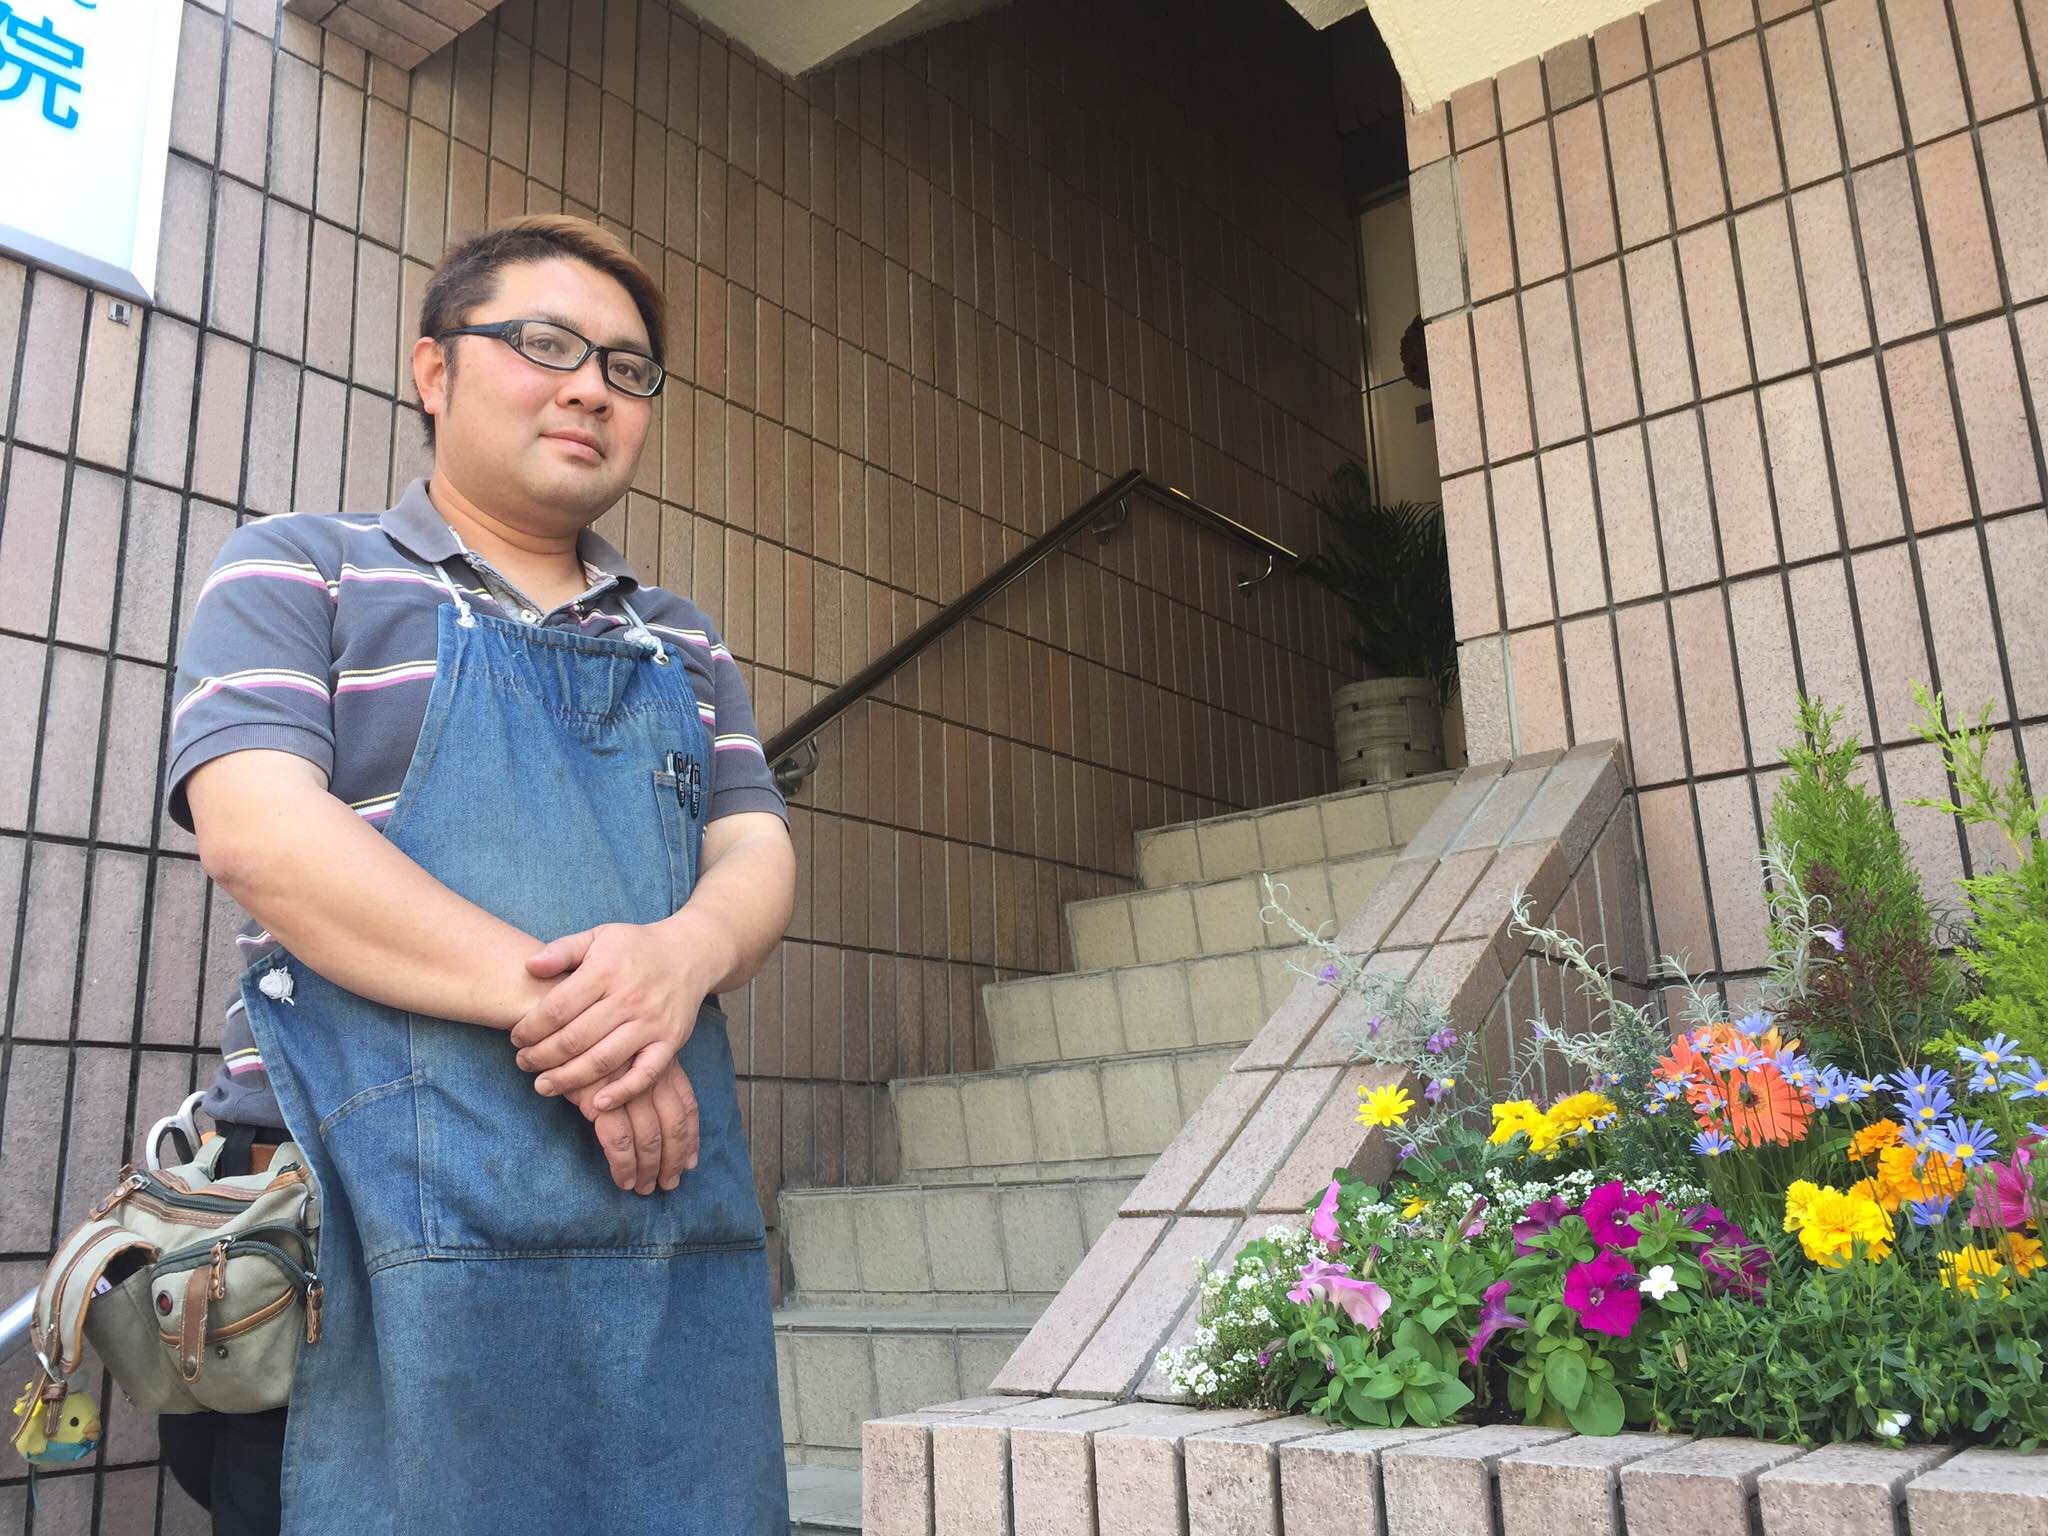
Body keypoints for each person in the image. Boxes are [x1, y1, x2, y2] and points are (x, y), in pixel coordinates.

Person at [160, 214, 795, 1534]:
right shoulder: (302, 569)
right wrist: (592, 1017)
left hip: (647, 1229)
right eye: (547, 345)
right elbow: (259, 831)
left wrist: (682, 957)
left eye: (627, 369)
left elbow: (753, 847)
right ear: (434, 369)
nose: (591, 390)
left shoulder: (683, 644)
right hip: (347, 1227)